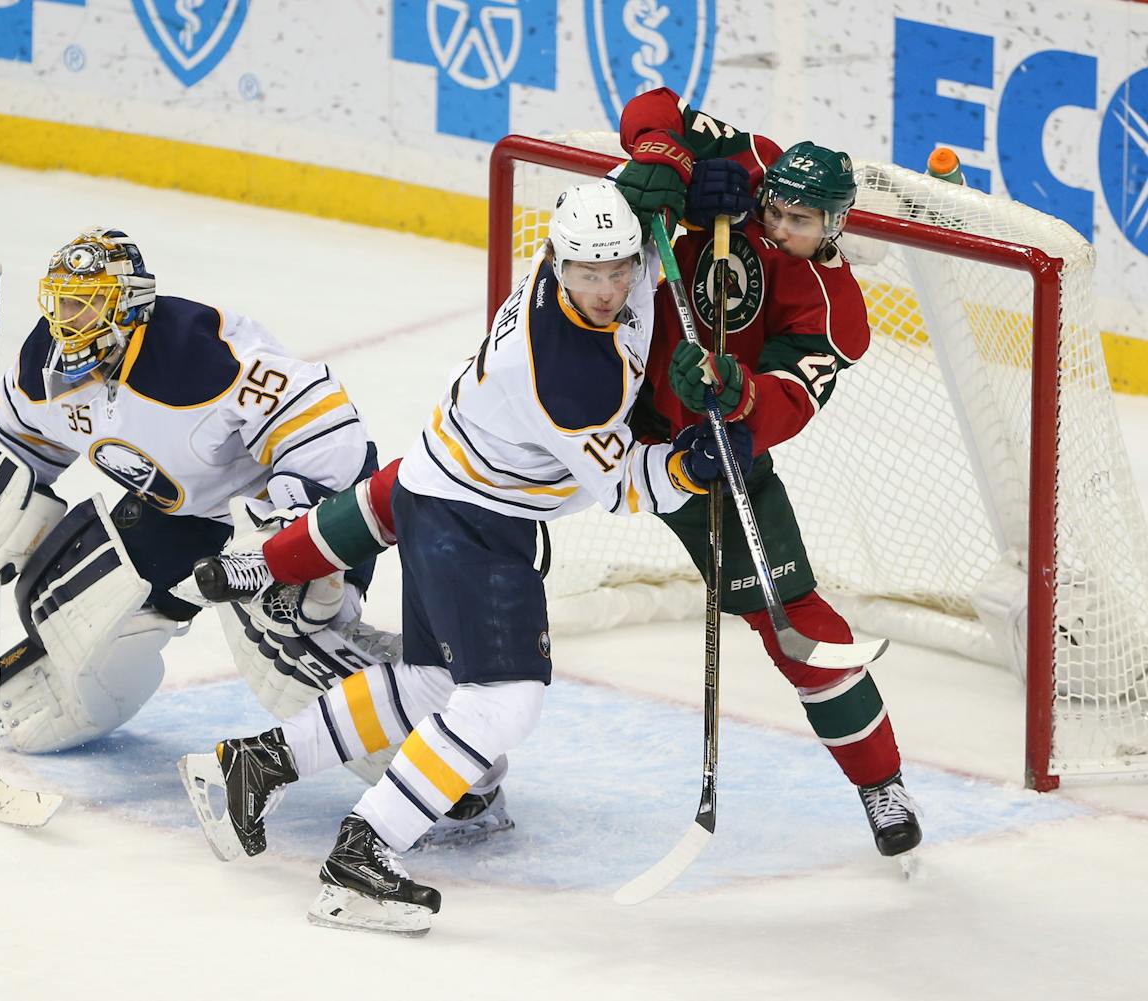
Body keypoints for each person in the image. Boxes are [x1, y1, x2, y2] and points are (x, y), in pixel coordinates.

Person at [192, 88, 923, 873]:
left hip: (702, 441)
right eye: (772, 212)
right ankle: (271, 569)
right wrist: (665, 161)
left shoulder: (835, 314)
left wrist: (733, 396)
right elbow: (654, 106)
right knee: (445, 488)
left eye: (798, 223)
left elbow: (783, 403)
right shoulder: (747, 171)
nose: (777, 228)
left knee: (793, 617)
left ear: (834, 226)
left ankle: (881, 783)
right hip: (605, 422)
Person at [178, 181, 755, 936]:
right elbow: (620, 490)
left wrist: (677, 174)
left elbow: (635, 186)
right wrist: (687, 466)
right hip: (472, 518)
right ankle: (363, 854)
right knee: (505, 698)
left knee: (431, 683)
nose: (610, 287)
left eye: (618, 268)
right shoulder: (567, 376)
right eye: (589, 274)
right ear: (558, 263)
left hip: (437, 492)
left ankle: (252, 764)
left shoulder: (600, 253)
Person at [0, 228, 376, 754]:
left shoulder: (200, 355)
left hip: (284, 509)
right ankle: (89, 701)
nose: (69, 321)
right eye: (64, 303)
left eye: (87, 304)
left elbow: (324, 428)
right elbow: (17, 437)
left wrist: (285, 533)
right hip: (183, 512)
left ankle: (427, 750)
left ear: (129, 306)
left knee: (284, 636)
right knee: (74, 606)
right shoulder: (44, 363)